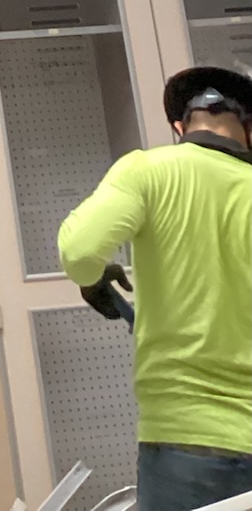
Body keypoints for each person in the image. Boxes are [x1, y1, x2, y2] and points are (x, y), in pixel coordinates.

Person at [58, 66, 252, 511]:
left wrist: (92, 280)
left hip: (183, 439)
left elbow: (80, 250)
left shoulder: (147, 170)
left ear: (180, 127)